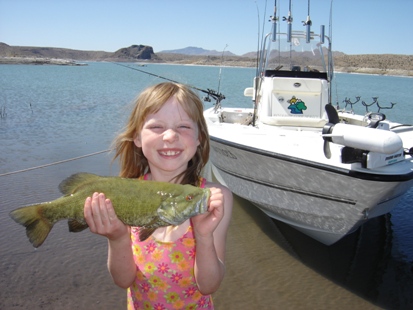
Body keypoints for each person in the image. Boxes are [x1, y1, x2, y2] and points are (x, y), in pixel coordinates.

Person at [83, 82, 233, 309]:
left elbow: (209, 286)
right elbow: (123, 280)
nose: (171, 136)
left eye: (183, 126)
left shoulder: (214, 198)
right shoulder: (125, 196)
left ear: (200, 137)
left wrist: (204, 236)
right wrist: (117, 237)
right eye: (157, 127)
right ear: (137, 137)